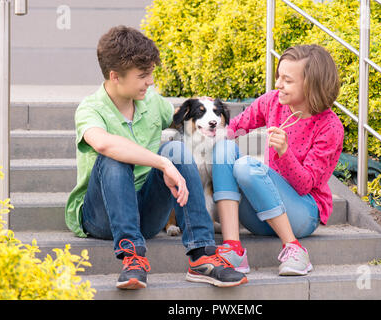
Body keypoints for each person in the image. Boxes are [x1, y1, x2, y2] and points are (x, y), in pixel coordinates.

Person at [65, 25, 247, 289]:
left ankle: (202, 256)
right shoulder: (90, 109)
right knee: (114, 157)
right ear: (115, 76)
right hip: (101, 217)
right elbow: (103, 144)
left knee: (178, 150)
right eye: (142, 76)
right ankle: (133, 258)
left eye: (150, 74)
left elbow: (180, 116)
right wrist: (162, 163)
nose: (150, 81)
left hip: (147, 216)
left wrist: (206, 114)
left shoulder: (150, 101)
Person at [213, 44, 344, 276]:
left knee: (246, 167)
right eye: (278, 77)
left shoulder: (329, 127)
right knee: (224, 147)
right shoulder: (272, 101)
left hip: (303, 213)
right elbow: (234, 128)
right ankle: (233, 249)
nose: (278, 85)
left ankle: (295, 249)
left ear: (312, 84)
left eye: (287, 80)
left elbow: (305, 185)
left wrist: (285, 153)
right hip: (260, 216)